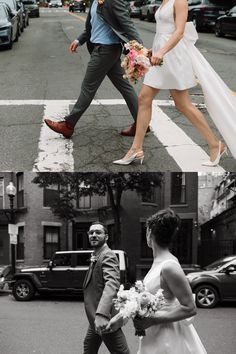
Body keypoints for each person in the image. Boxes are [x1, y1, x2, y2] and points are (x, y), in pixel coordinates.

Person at [113, 0, 236, 167]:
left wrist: (162, 52)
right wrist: (150, 52)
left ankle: (215, 144)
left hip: (174, 55)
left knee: (183, 104)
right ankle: (136, 148)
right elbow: (162, 31)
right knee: (144, 98)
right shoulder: (163, 1)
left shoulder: (180, 1)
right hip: (160, 54)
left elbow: (179, 32)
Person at [107, 208, 207, 354]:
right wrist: (120, 317)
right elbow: (143, 300)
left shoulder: (169, 266)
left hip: (167, 338)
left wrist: (153, 320)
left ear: (149, 233)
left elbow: (190, 308)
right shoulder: (159, 263)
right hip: (153, 335)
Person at [44, 0, 146, 139]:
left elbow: (127, 24)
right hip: (104, 49)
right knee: (125, 87)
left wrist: (141, 49)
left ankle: (68, 125)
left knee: (88, 87)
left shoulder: (113, 1)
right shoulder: (94, 1)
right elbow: (91, 26)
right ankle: (142, 124)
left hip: (105, 50)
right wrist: (78, 40)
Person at [83, 221, 130, 354]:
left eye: (98, 232)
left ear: (106, 237)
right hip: (95, 316)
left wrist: (102, 314)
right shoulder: (97, 255)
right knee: (89, 346)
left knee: (121, 352)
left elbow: (112, 284)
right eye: (91, 232)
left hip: (104, 317)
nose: (93, 235)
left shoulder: (108, 255)